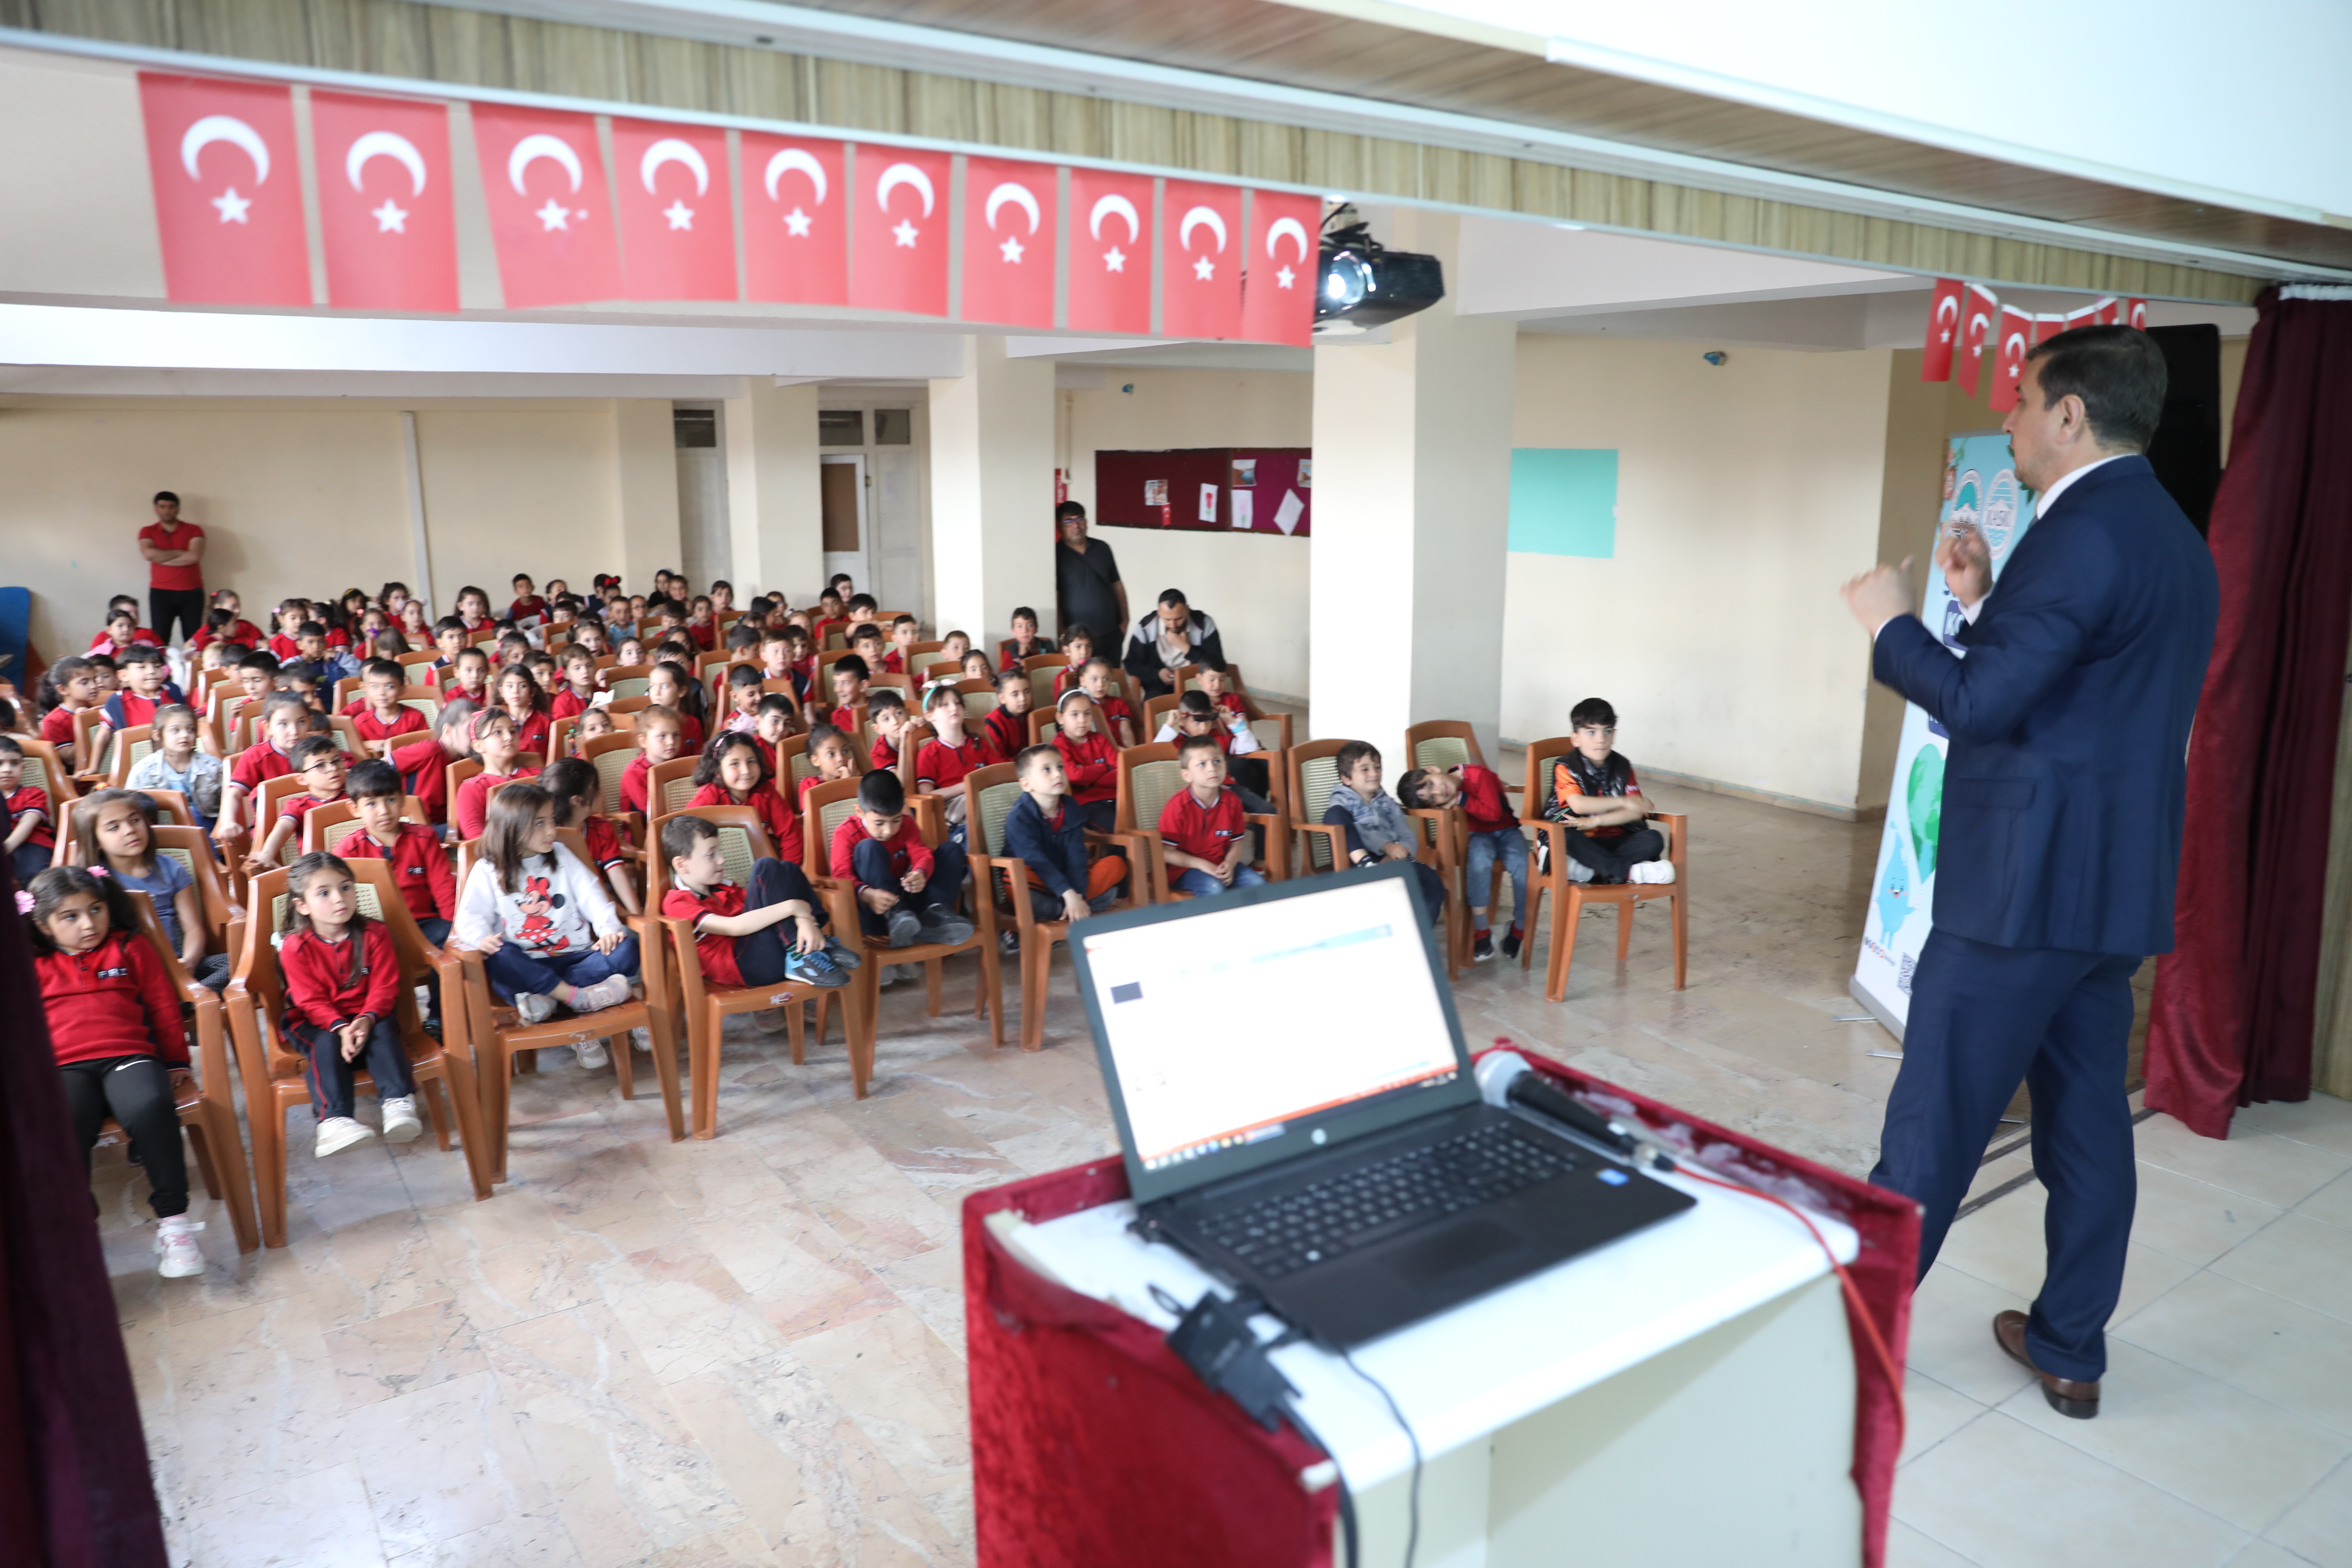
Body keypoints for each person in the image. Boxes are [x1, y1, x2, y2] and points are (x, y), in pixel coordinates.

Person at [1840, 324, 2217, 1422]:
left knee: (1933, 1123)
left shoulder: (2079, 537)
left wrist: (1891, 622)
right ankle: (2068, 1345)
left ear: (2068, 415)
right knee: (2088, 1125)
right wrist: (1981, 594)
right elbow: (2071, 688)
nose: (2003, 419)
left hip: (2015, 895)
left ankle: (1854, 1341)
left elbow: (1978, 703)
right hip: (2104, 896)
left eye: (2017, 401)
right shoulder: (2168, 536)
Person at [26, 865, 205, 1278]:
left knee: (151, 1106)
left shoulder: (130, 946)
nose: (89, 924)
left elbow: (162, 1005)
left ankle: (174, 1223)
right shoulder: (31, 965)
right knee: (63, 1123)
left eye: (96, 909)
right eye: (70, 917)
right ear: (44, 925)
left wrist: (177, 1058)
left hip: (129, 1055)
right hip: (64, 1066)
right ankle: (80, 1233)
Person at [452, 783, 638, 1052]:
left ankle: (551, 1000)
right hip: (527, 965)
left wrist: (608, 928)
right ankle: (580, 998)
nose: (552, 830)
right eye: (540, 824)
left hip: (576, 957)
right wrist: (481, 939)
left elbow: (592, 895)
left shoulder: (561, 854)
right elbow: (469, 917)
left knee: (628, 947)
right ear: (513, 827)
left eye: (551, 820)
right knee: (499, 956)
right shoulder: (487, 869)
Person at [274, 851, 424, 1156]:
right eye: (324, 893)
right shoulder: (294, 947)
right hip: (314, 1021)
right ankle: (334, 1121)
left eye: (346, 887)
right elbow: (309, 1000)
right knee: (326, 1043)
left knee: (382, 1032)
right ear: (302, 905)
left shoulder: (375, 934)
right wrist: (341, 1027)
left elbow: (384, 988)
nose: (339, 899)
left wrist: (366, 1019)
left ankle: (398, 1103)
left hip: (369, 1015)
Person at [659, 815, 855, 1008]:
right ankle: (800, 955)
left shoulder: (724, 887)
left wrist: (806, 921)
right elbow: (735, 927)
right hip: (747, 968)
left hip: (763, 953)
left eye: (719, 851)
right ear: (681, 865)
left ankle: (811, 942)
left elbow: (768, 905)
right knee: (765, 867)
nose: (722, 860)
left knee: (788, 869)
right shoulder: (677, 902)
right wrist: (794, 907)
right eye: (711, 855)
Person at [71, 788, 228, 990]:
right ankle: (184, 1000)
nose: (129, 830)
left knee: (241, 963)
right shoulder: (92, 881)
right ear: (95, 841)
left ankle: (186, 998)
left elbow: (193, 928)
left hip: (175, 967)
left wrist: (189, 962)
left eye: (135, 820)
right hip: (124, 973)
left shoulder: (171, 869)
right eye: (114, 828)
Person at [1399, 760, 1530, 961]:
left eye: (1431, 784)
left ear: (1433, 770)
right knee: (1479, 861)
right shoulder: (1447, 799)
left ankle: (1519, 928)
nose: (1439, 794)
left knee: (1522, 863)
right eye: (1433, 799)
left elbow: (1494, 814)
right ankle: (1482, 932)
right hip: (1477, 834)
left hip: (1507, 830)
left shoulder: (1477, 775)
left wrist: (1461, 798)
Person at [831, 770, 974, 948]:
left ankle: (935, 913)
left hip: (907, 905)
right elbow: (841, 876)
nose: (889, 831)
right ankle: (898, 920)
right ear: (860, 812)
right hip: (874, 907)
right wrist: (866, 894)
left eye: (896, 820)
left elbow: (921, 853)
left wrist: (920, 873)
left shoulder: (907, 824)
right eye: (880, 823)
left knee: (951, 850)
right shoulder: (846, 832)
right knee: (869, 847)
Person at [1539, 699, 1672, 886]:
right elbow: (1579, 804)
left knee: (1653, 839)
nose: (1601, 739)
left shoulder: (1623, 766)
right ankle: (1629, 872)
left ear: (1614, 735)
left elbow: (1635, 811)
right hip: (1581, 840)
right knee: (1565, 836)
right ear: (1575, 738)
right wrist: (1623, 801)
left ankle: (1595, 870)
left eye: (1607, 731)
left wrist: (1594, 821)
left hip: (1614, 840)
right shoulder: (1567, 766)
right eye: (1591, 732)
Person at [1004, 743, 1129, 927]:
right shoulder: (1019, 817)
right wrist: (1068, 894)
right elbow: (1035, 860)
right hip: (1037, 879)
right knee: (1013, 877)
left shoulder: (1070, 806)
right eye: (1047, 770)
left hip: (1067, 876)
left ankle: (1068, 907)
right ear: (1027, 784)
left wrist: (1076, 893)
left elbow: (1076, 854)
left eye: (1060, 767)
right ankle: (1078, 906)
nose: (1057, 774)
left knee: (1116, 864)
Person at [333, 760, 455, 946]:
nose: (384, 812)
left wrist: (455, 930)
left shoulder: (424, 838)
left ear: (403, 798)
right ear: (355, 809)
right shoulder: (348, 851)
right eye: (372, 804)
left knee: (457, 939)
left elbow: (444, 889)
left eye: (391, 800)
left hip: (424, 925)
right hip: (374, 931)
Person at [1323, 741, 1447, 924]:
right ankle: (1367, 865)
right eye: (1365, 769)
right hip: (1359, 859)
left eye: (1378, 767)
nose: (1374, 773)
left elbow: (1404, 830)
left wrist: (1402, 851)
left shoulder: (1386, 801)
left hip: (1397, 858)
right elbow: (1358, 831)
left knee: (1432, 883)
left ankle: (1419, 938)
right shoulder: (1342, 801)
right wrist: (1385, 847)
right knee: (1334, 815)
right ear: (1347, 779)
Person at [1157, 735, 1265, 897]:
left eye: (1217, 761)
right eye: (1202, 764)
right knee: (1215, 889)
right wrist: (1202, 865)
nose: (1212, 769)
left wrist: (1230, 864)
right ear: (1187, 775)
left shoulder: (1233, 802)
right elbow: (1166, 853)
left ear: (1226, 766)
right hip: (1186, 869)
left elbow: (1236, 846)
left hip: (1222, 864)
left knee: (1260, 886)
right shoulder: (1177, 806)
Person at [686, 731, 804, 868]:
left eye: (751, 762)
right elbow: (688, 834)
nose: (746, 771)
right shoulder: (709, 796)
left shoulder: (767, 792)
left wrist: (788, 870)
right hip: (720, 868)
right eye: (735, 764)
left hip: (761, 866)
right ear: (718, 770)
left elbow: (791, 833)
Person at [541, 757, 639, 917]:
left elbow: (617, 875)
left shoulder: (602, 828)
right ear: (578, 801)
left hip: (599, 900)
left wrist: (636, 916)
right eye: (597, 789)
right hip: (561, 907)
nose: (603, 794)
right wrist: (623, 915)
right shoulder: (550, 838)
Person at [245, 733, 349, 874]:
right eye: (321, 765)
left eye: (337, 761)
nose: (333, 768)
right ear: (302, 779)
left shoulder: (356, 797)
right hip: (316, 873)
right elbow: (283, 827)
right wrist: (266, 855)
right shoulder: (299, 806)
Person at [126, 703, 224, 832]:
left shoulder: (213, 766)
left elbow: (228, 802)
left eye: (190, 729)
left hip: (209, 827)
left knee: (193, 813)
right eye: (176, 730)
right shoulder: (143, 770)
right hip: (162, 830)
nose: (185, 735)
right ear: (158, 736)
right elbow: (130, 808)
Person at [1122, 588, 1225, 701]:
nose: (1173, 625)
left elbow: (1217, 663)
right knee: (1154, 706)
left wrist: (1186, 648)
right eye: (1167, 620)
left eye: (1179, 619)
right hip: (1159, 685)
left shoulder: (1204, 624)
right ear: (1159, 613)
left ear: (1188, 610)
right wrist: (1157, 674)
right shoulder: (1146, 627)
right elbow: (1131, 664)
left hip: (1196, 683)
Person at [454, 710, 537, 843]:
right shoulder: (472, 789)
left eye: (513, 731)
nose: (509, 737)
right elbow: (476, 836)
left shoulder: (537, 775)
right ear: (479, 746)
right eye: (498, 732)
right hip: (500, 855)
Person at [1055, 501, 1128, 646]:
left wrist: (1125, 622)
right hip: (1077, 640)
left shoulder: (1102, 548)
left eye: (1080, 519)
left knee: (1112, 670)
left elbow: (1118, 586)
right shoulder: (1055, 554)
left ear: (1086, 523)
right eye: (1069, 521)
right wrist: (1062, 635)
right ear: (1060, 526)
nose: (1076, 525)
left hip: (1111, 633)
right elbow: (1055, 598)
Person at [139, 491, 206, 646]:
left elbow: (195, 557)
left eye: (171, 507)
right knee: (160, 639)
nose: (167, 511)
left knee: (194, 639)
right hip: (161, 593)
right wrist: (180, 553)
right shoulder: (147, 531)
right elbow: (149, 554)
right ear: (156, 509)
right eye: (162, 507)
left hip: (192, 592)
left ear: (178, 509)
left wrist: (162, 559)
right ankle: (162, 671)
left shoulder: (194, 530)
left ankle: (193, 670)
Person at [1050, 690, 1119, 831]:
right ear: (1061, 718)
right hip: (1084, 803)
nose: (1082, 720)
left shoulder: (1100, 739)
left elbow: (1121, 773)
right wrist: (1105, 768)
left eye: (1087, 714)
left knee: (1143, 819)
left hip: (1116, 796)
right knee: (1118, 830)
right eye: (1075, 715)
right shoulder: (1059, 746)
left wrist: (1091, 780)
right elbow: (1075, 775)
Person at [0, 734, 58, 884]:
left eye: (14, 763)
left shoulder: (33, 794)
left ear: (22, 768)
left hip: (32, 843)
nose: (7, 770)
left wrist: (7, 848)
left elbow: (28, 823)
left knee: (35, 875)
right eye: (0, 763)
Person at [350, 659, 428, 758]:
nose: (381, 693)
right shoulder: (360, 722)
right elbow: (351, 748)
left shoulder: (416, 718)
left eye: (389, 687)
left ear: (402, 689)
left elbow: (425, 747)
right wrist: (369, 744)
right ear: (366, 688)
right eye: (375, 687)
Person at [619, 706, 684, 818]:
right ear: (644, 741)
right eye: (662, 736)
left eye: (676, 735)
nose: (671, 742)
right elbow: (652, 812)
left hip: (678, 820)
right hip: (647, 830)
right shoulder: (634, 773)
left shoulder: (679, 764)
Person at [983, 667, 1032, 762]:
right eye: (1015, 695)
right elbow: (999, 760)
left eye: (1027, 692)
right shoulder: (993, 724)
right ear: (1002, 699)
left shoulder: (1032, 716)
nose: (1023, 698)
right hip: (1006, 770)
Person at [998, 606, 1056, 671]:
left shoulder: (1048, 646)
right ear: (1013, 631)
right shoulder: (1009, 652)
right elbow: (1007, 677)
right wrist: (1021, 657)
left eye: (1030, 625)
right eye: (1020, 626)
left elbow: (1054, 670)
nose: (1025, 631)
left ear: (1036, 629)